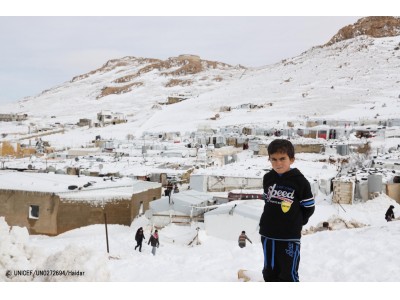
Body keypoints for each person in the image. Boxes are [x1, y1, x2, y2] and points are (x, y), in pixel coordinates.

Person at [259, 139, 315, 282]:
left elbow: (308, 207)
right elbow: (268, 201)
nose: (278, 163)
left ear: (292, 159)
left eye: (282, 159)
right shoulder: (268, 178)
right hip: (268, 234)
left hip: (288, 236)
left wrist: (294, 222)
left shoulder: (300, 182)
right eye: (274, 159)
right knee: (269, 272)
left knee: (288, 274)